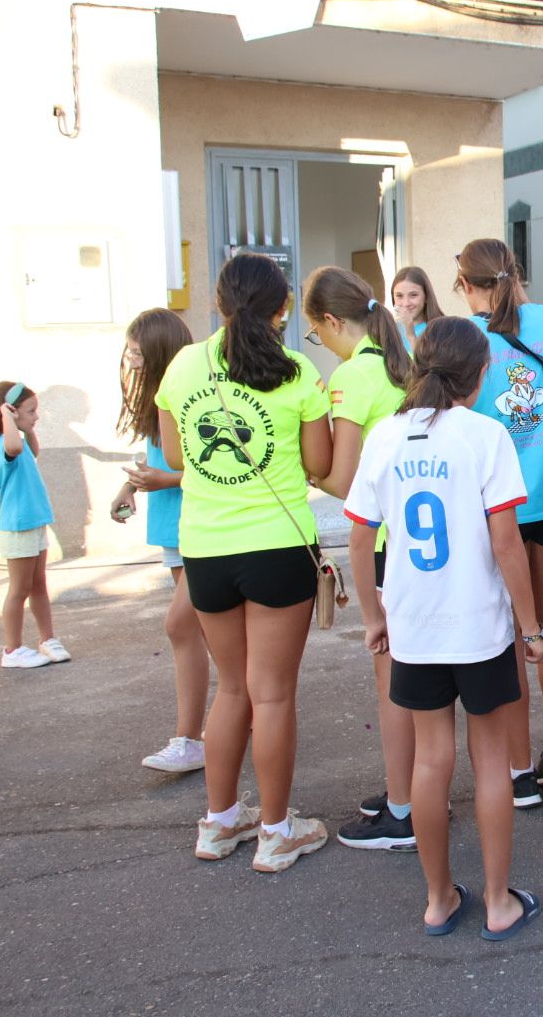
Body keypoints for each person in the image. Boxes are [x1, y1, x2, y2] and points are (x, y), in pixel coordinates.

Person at [344, 317, 543, 941]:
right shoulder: (485, 436)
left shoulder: (384, 436)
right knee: (490, 761)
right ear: (481, 373)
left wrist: (372, 617)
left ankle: (438, 900)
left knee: (429, 762)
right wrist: (532, 625)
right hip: (479, 627)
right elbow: (507, 543)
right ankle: (496, 902)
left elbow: (359, 536)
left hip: (414, 626)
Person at [155, 252, 333, 873]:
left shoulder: (181, 366)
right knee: (273, 694)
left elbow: (177, 452)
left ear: (218, 302)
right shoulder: (299, 372)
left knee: (233, 688)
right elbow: (318, 465)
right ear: (283, 308)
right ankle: (278, 831)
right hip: (277, 547)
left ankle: (220, 823)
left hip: (204, 548)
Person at [458, 237, 543, 808]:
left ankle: (516, 771)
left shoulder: (465, 339)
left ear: (465, 285)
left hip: (500, 503)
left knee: (510, 625)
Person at [303, 266, 418, 852]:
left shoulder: (353, 375)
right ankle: (410, 791)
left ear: (329, 322)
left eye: (313, 334)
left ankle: (404, 811)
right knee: (411, 679)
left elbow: (344, 480)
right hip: (417, 543)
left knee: (393, 683)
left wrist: (297, 467)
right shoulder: (402, 363)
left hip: (382, 546)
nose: (316, 344)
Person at [110, 309, 209, 773]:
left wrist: (163, 480)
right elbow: (159, 461)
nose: (129, 359)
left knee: (180, 626)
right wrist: (131, 486)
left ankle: (190, 738)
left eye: (135, 351)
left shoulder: (189, 392)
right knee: (202, 632)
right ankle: (231, 717)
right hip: (173, 529)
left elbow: (213, 469)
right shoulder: (156, 397)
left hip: (198, 528)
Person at [0, 381, 68, 672]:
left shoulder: (19, 442)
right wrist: (8, 416)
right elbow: (14, 446)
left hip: (33, 522)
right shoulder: (0, 444)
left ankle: (47, 639)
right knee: (19, 589)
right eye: (30, 411)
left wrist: (27, 427)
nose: (36, 416)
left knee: (39, 584)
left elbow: (33, 450)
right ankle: (12, 649)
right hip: (17, 526)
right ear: (10, 412)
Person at [390, 267, 442, 354]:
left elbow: (425, 366)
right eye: (399, 296)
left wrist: (411, 336)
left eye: (413, 295)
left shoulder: (440, 330)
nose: (406, 303)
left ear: (426, 296)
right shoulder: (391, 331)